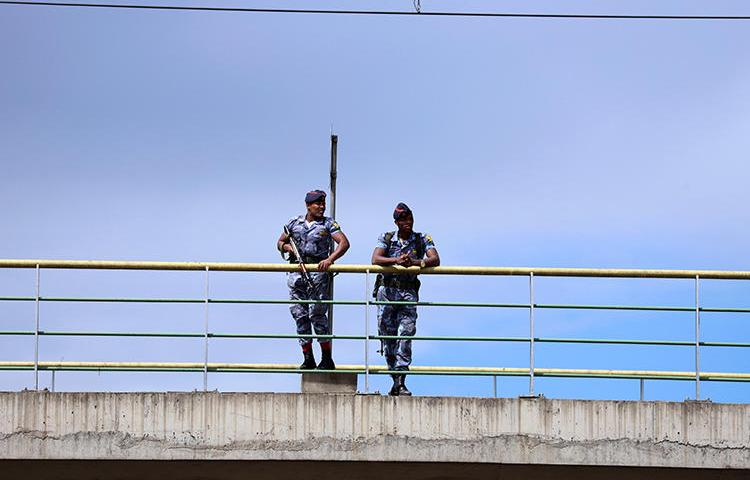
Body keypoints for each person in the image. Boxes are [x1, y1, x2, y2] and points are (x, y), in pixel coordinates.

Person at [371, 202, 440, 396]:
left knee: (406, 334)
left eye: (409, 218)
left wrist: (416, 262)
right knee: (388, 337)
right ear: (396, 222)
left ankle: (401, 379)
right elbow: (376, 259)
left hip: (408, 292)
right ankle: (395, 380)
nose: (407, 223)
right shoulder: (387, 238)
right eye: (402, 220)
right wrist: (396, 261)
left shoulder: (421, 239)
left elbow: (435, 258)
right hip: (387, 291)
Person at [277, 190, 350, 370]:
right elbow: (279, 242)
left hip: (317, 273)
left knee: (317, 314)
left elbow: (344, 243)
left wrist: (330, 259)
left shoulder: (328, 223)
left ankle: (326, 358)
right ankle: (307, 357)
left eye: (323, 203)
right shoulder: (294, 222)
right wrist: (288, 247)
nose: (322, 207)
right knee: (299, 315)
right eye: (318, 204)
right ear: (308, 205)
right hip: (296, 273)